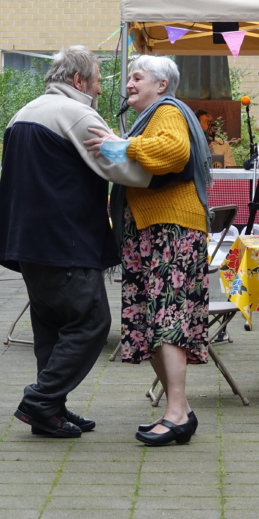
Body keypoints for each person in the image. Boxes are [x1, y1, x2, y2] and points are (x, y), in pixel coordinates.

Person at [0, 45, 153, 438]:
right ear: (78, 81)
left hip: (26, 241)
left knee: (50, 326)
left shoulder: (22, 114)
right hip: (66, 240)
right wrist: (160, 168)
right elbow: (125, 169)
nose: (100, 90)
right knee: (91, 322)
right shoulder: (78, 113)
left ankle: (52, 411)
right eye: (97, 80)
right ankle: (41, 400)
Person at [84, 55, 212, 446]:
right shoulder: (151, 116)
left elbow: (175, 152)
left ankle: (176, 412)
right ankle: (181, 412)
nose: (128, 84)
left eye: (137, 77)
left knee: (166, 317)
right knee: (148, 320)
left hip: (170, 229)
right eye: (128, 78)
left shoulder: (168, 111)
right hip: (150, 230)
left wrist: (122, 146)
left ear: (161, 85)